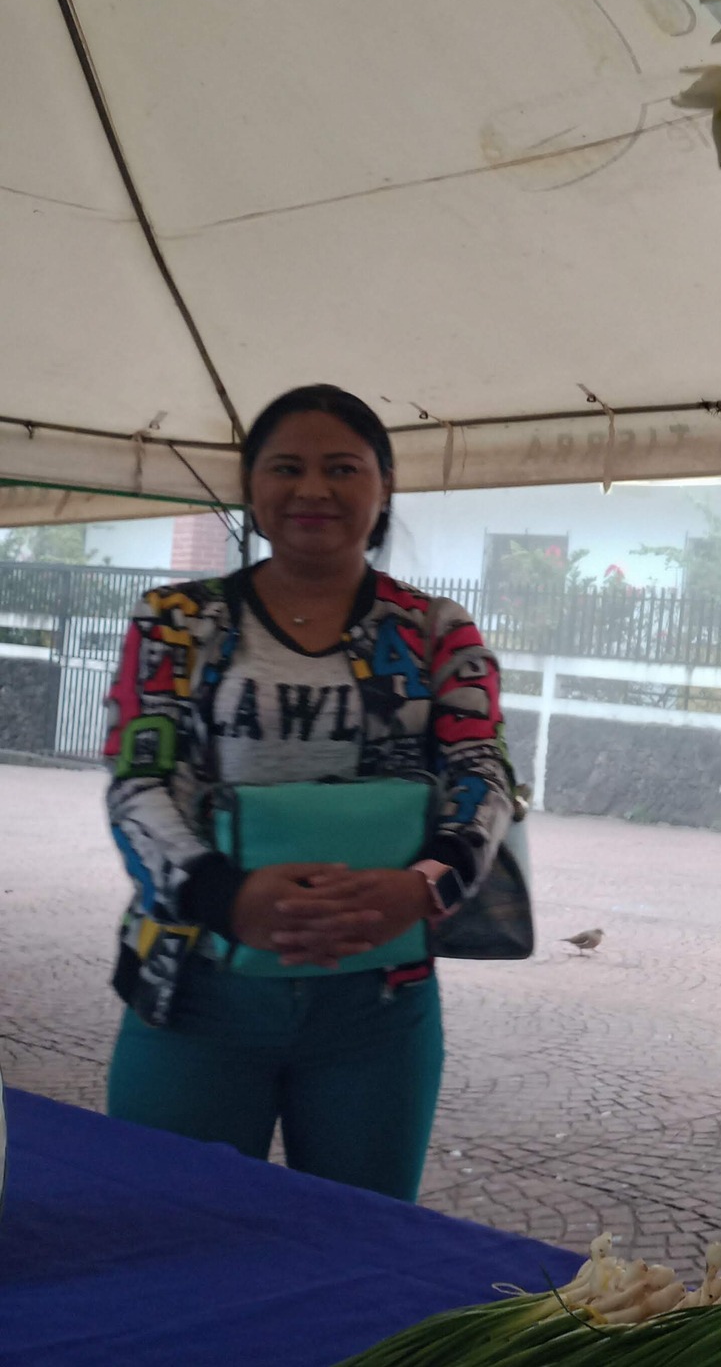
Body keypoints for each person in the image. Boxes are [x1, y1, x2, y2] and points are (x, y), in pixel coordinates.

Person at [102, 384, 513, 1201]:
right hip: (192, 992)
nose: (313, 490)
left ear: (384, 485)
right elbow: (138, 783)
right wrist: (225, 896)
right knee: (168, 1236)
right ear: (252, 487)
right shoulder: (174, 622)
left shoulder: (436, 631)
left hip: (377, 1010)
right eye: (286, 467)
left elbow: (484, 777)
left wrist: (422, 886)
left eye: (343, 468)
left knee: (362, 1248)